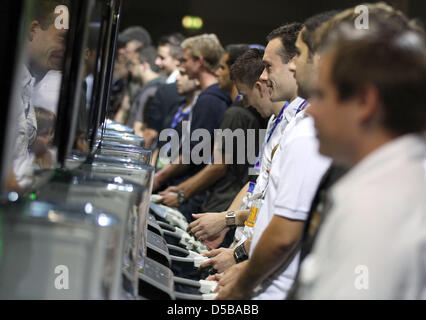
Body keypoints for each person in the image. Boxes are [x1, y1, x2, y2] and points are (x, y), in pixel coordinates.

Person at [295, 7, 426, 300]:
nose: (311, 109)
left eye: (321, 95)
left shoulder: (374, 206)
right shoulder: (403, 178)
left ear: (365, 102)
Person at [216, 16, 337, 300]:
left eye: (269, 66)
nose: (263, 76)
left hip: (273, 286)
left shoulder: (307, 132)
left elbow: (285, 233)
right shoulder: (289, 121)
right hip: (261, 273)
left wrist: (244, 274)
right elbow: (264, 197)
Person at [153, 34, 232, 218]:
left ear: (200, 61)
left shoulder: (210, 99)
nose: (182, 65)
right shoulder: (210, 96)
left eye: (185, 60)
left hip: (194, 194)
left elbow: (195, 154)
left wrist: (160, 178)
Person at [124, 46, 164, 136]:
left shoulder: (150, 91)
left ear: (144, 65)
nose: (131, 69)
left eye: (134, 64)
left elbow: (138, 129)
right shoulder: (151, 88)